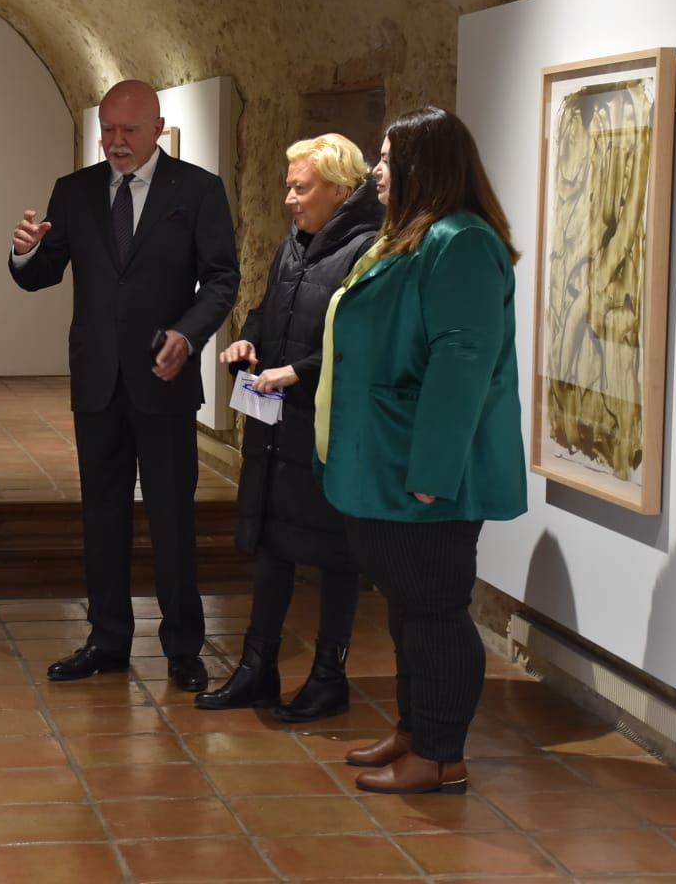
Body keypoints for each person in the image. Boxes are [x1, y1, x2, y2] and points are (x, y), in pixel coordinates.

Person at [312, 106, 526, 794]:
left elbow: (463, 363)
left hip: (427, 473)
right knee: (408, 608)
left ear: (421, 167)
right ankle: (413, 731)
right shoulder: (409, 237)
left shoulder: (461, 243)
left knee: (434, 609)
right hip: (386, 462)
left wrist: (432, 473)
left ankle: (440, 754)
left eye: (384, 159)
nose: (375, 171)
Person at [8, 80, 239, 692]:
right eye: (107, 129)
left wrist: (187, 336)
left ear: (157, 128)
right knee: (102, 516)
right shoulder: (75, 191)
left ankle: (183, 645)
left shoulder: (197, 191)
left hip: (164, 381)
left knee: (171, 518)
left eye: (128, 131)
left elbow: (221, 279)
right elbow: (42, 275)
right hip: (98, 382)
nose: (115, 141)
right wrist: (25, 253)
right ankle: (107, 639)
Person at [195, 134, 383, 720]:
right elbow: (266, 307)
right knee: (272, 544)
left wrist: (296, 373)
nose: (289, 200)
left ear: (340, 190)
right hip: (275, 424)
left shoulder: (367, 251)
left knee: (335, 554)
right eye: (288, 187)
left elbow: (362, 343)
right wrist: (250, 337)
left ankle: (330, 675)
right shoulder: (293, 246)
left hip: (326, 426)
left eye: (300, 188)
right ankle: (258, 667)